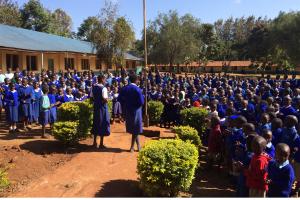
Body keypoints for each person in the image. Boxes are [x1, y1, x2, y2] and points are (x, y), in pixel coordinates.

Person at [118, 73, 144, 152]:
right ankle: (132, 147)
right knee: (136, 129)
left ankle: (138, 145)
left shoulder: (124, 88)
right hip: (136, 110)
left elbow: (119, 99)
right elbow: (141, 102)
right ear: (136, 80)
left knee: (134, 128)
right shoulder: (138, 89)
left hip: (127, 110)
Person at [90, 74, 110, 149]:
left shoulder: (93, 87)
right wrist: (107, 100)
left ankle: (94, 142)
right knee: (102, 123)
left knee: (95, 123)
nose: (105, 81)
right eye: (104, 79)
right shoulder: (103, 88)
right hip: (102, 108)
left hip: (96, 108)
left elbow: (91, 98)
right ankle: (101, 144)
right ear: (101, 79)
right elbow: (105, 99)